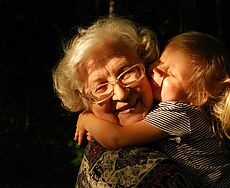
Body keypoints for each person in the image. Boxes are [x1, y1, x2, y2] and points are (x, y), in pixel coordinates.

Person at [75, 31, 230, 187]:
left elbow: (116, 138)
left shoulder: (178, 114)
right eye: (161, 61)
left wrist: (87, 119)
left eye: (171, 74)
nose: (158, 70)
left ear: (197, 97)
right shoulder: (177, 110)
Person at [52, 16, 198, 187]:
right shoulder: (122, 166)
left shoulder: (180, 109)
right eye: (101, 88)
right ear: (83, 101)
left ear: (145, 66)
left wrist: (87, 119)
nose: (121, 94)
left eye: (127, 73)